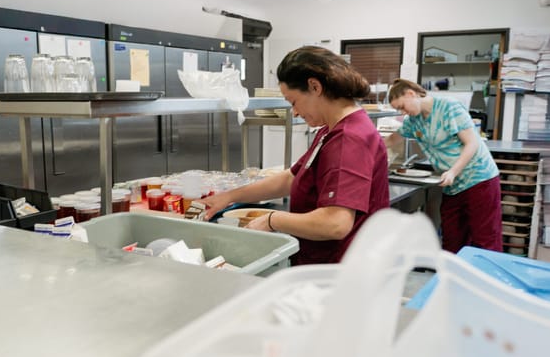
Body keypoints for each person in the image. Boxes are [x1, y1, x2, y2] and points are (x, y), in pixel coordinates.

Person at [202, 46, 390, 265]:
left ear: (314, 86)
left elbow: (336, 223)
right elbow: (292, 177)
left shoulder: (349, 138)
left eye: (293, 102)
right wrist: (230, 196)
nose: (295, 112)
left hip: (338, 271)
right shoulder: (330, 129)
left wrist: (273, 220)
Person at [385, 78, 502, 253]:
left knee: (484, 240)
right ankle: (453, 277)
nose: (403, 113)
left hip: (479, 179)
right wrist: (368, 148)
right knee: (452, 239)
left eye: (402, 106)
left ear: (411, 94)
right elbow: (393, 139)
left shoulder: (448, 107)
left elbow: (472, 143)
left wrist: (453, 171)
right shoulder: (413, 121)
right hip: (452, 186)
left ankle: (485, 278)